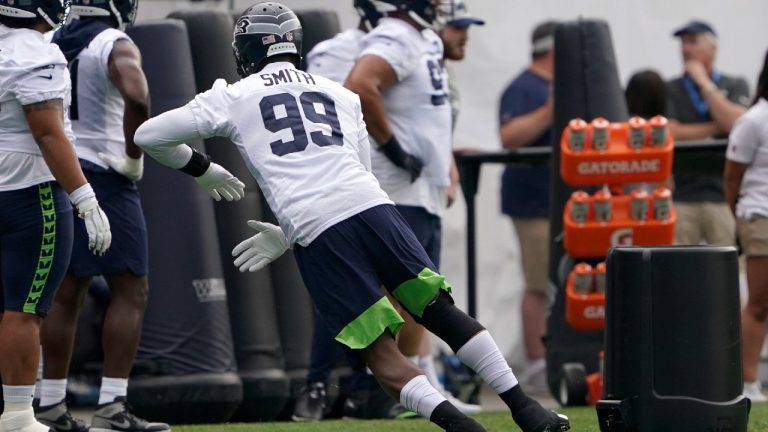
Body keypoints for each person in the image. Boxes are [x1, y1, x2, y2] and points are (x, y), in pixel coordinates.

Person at [134, 3, 570, 432]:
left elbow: (146, 135)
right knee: (440, 311)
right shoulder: (340, 94)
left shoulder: (233, 96)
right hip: (375, 209)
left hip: (316, 229)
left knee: (380, 355)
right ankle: (527, 410)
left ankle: (462, 428)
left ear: (244, 51)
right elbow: (359, 171)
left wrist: (205, 170)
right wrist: (288, 231)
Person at [34, 1, 242, 430]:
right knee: (131, 289)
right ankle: (112, 407)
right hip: (106, 173)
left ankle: (51, 404)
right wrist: (133, 153)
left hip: (62, 171)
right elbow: (138, 93)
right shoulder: (114, 41)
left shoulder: (52, 40)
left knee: (65, 293)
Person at [0, 0, 112, 430]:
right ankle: (17, 415)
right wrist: (84, 197)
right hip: (31, 191)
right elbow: (47, 132)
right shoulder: (37, 50)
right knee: (24, 309)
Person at [291, 0, 383, 421]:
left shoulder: (415, 44)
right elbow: (314, 119)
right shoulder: (340, 50)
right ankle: (318, 381)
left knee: (381, 293)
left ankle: (367, 386)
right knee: (338, 289)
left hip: (379, 187)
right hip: (339, 184)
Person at [497, 20, 557, 392]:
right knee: (537, 282)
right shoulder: (523, 87)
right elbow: (509, 137)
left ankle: (550, 355)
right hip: (533, 201)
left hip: (557, 199)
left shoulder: (546, 86)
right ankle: (536, 362)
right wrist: (551, 109)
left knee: (555, 281)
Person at [665, 20, 749, 246]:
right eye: (683, 43)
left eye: (692, 42)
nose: (685, 49)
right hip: (682, 196)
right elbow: (670, 132)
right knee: (679, 266)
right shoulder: (671, 88)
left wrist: (703, 83)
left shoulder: (735, 84)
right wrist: (718, 126)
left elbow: (738, 124)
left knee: (727, 266)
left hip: (721, 195)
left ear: (713, 48)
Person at [724, 48, 768, 404]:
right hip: (761, 217)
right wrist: (740, 219)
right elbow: (732, 177)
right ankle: (748, 381)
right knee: (759, 302)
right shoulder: (754, 119)